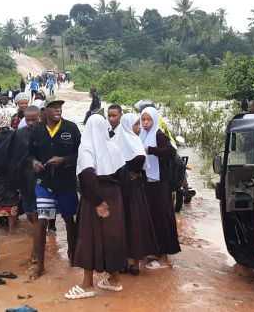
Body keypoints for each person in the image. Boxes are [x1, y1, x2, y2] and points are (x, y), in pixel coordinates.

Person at [65, 115, 128, 300]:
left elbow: (87, 176)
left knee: (88, 238)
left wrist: (99, 202)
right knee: (112, 237)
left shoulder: (86, 148)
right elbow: (123, 177)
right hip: (114, 198)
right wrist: (114, 201)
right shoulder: (114, 146)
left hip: (95, 200)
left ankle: (86, 285)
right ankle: (114, 280)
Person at [28, 99, 81, 279]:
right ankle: (40, 266)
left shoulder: (72, 129)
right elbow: (29, 155)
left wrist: (64, 160)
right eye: (53, 107)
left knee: (69, 220)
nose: (58, 110)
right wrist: (34, 162)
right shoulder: (36, 130)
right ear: (46, 112)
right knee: (42, 222)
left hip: (66, 183)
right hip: (44, 184)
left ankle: (73, 257)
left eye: (60, 107)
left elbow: (80, 154)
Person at [113, 111, 159, 275]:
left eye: (139, 124)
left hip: (129, 191)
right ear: (127, 125)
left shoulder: (126, 142)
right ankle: (130, 263)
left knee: (131, 224)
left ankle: (133, 263)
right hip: (131, 191)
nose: (139, 128)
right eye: (137, 124)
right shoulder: (128, 142)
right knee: (131, 224)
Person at [140, 107, 181, 268]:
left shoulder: (158, 135)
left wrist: (151, 150)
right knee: (150, 218)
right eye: (143, 120)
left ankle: (164, 257)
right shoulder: (142, 135)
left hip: (160, 184)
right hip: (148, 183)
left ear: (155, 119)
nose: (145, 123)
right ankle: (155, 250)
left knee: (162, 218)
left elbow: (171, 150)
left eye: (149, 120)